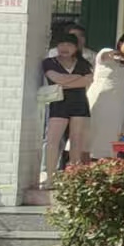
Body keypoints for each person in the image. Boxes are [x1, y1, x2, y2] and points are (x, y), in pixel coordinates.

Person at [40, 30, 93, 178]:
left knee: (76, 140)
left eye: (69, 44)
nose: (65, 48)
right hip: (58, 104)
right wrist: (76, 78)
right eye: (61, 44)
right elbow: (56, 78)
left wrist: (64, 82)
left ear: (76, 47)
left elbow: (88, 80)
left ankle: (73, 176)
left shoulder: (83, 63)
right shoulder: (49, 62)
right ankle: (49, 177)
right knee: (53, 140)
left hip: (79, 104)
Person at [85, 31, 124, 162]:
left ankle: (109, 164)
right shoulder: (105, 53)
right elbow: (108, 54)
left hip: (118, 102)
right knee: (92, 132)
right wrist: (119, 56)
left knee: (114, 134)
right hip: (99, 98)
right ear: (121, 43)